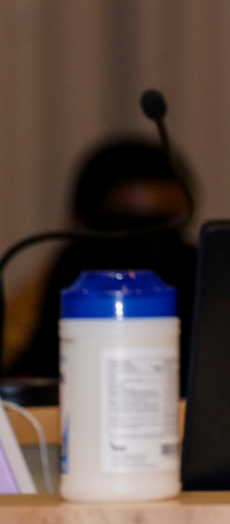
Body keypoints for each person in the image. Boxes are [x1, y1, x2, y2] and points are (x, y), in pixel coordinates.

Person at [12, 139, 197, 395]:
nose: (144, 247)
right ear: (80, 221)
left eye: (163, 226)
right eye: (123, 224)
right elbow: (38, 373)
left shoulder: (193, 266)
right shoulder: (74, 266)